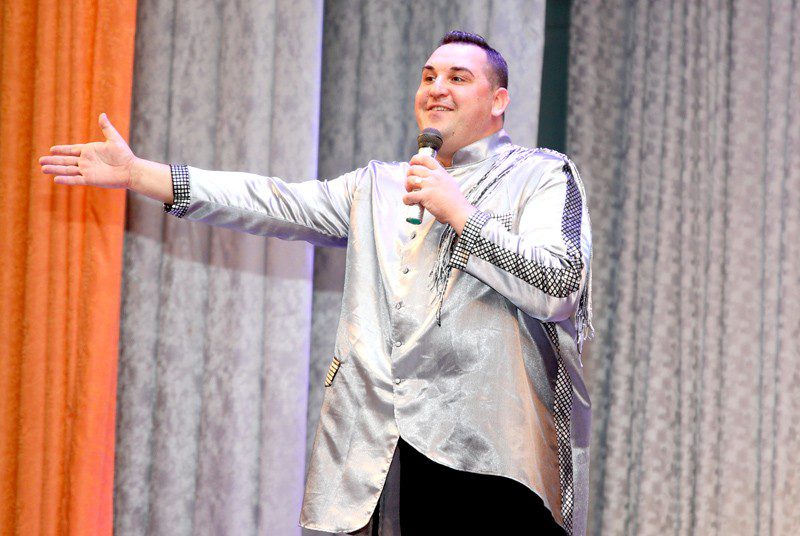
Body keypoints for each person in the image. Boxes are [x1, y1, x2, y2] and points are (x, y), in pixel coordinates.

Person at [40, 31, 593, 536]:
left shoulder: (541, 174)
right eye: (428, 76)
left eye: (458, 77)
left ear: (498, 101)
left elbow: (560, 285)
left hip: (487, 458)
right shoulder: (378, 186)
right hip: (376, 455)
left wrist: (461, 215)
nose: (436, 88)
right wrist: (141, 174)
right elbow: (273, 202)